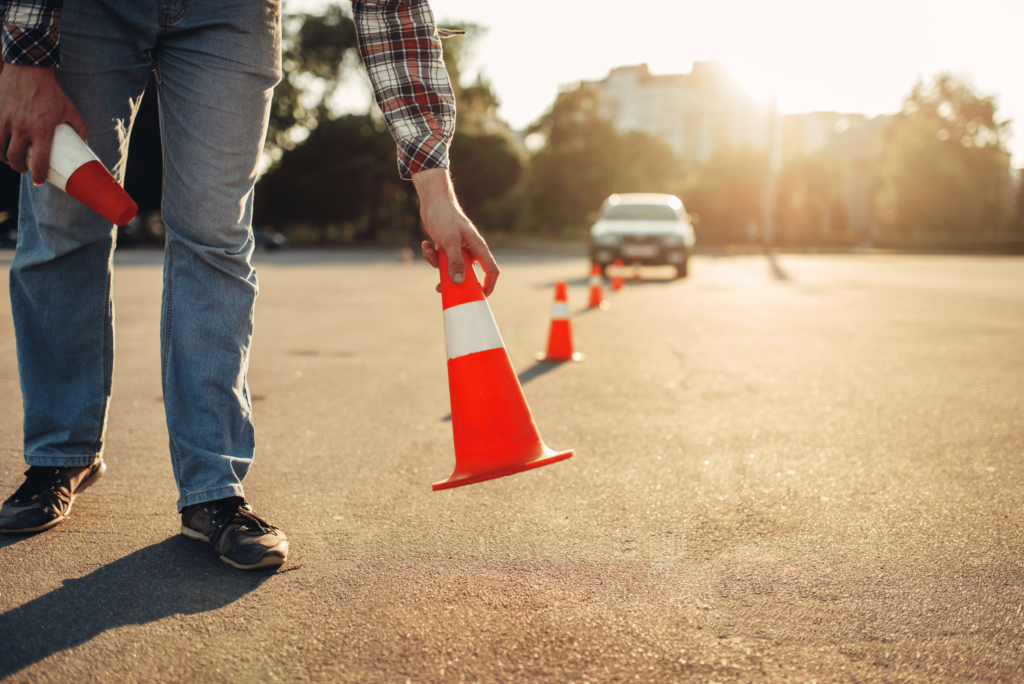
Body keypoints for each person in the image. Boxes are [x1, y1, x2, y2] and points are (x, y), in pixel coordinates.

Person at [0, 0, 497, 570]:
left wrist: (437, 191)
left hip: (230, 13)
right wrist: (25, 54)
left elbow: (390, 10)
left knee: (215, 235)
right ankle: (61, 453)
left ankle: (213, 487)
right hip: (85, 11)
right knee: (63, 222)